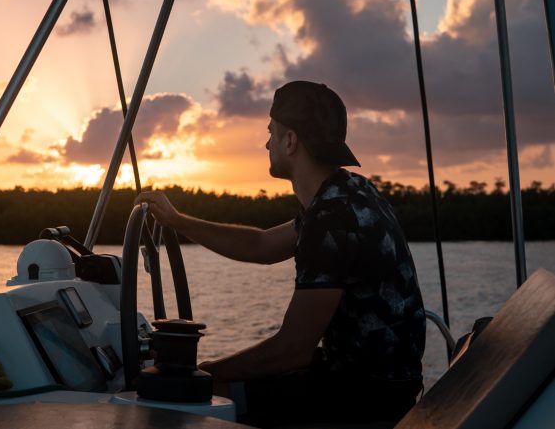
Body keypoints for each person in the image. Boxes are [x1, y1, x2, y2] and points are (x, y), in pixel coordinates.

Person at [135, 80, 425, 427]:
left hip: (364, 399)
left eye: (272, 133)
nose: (266, 142)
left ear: (291, 142)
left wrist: (206, 372)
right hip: (378, 382)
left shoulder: (333, 220)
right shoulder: (347, 192)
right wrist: (177, 220)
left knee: (196, 401)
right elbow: (261, 245)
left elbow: (293, 349)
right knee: (224, 387)